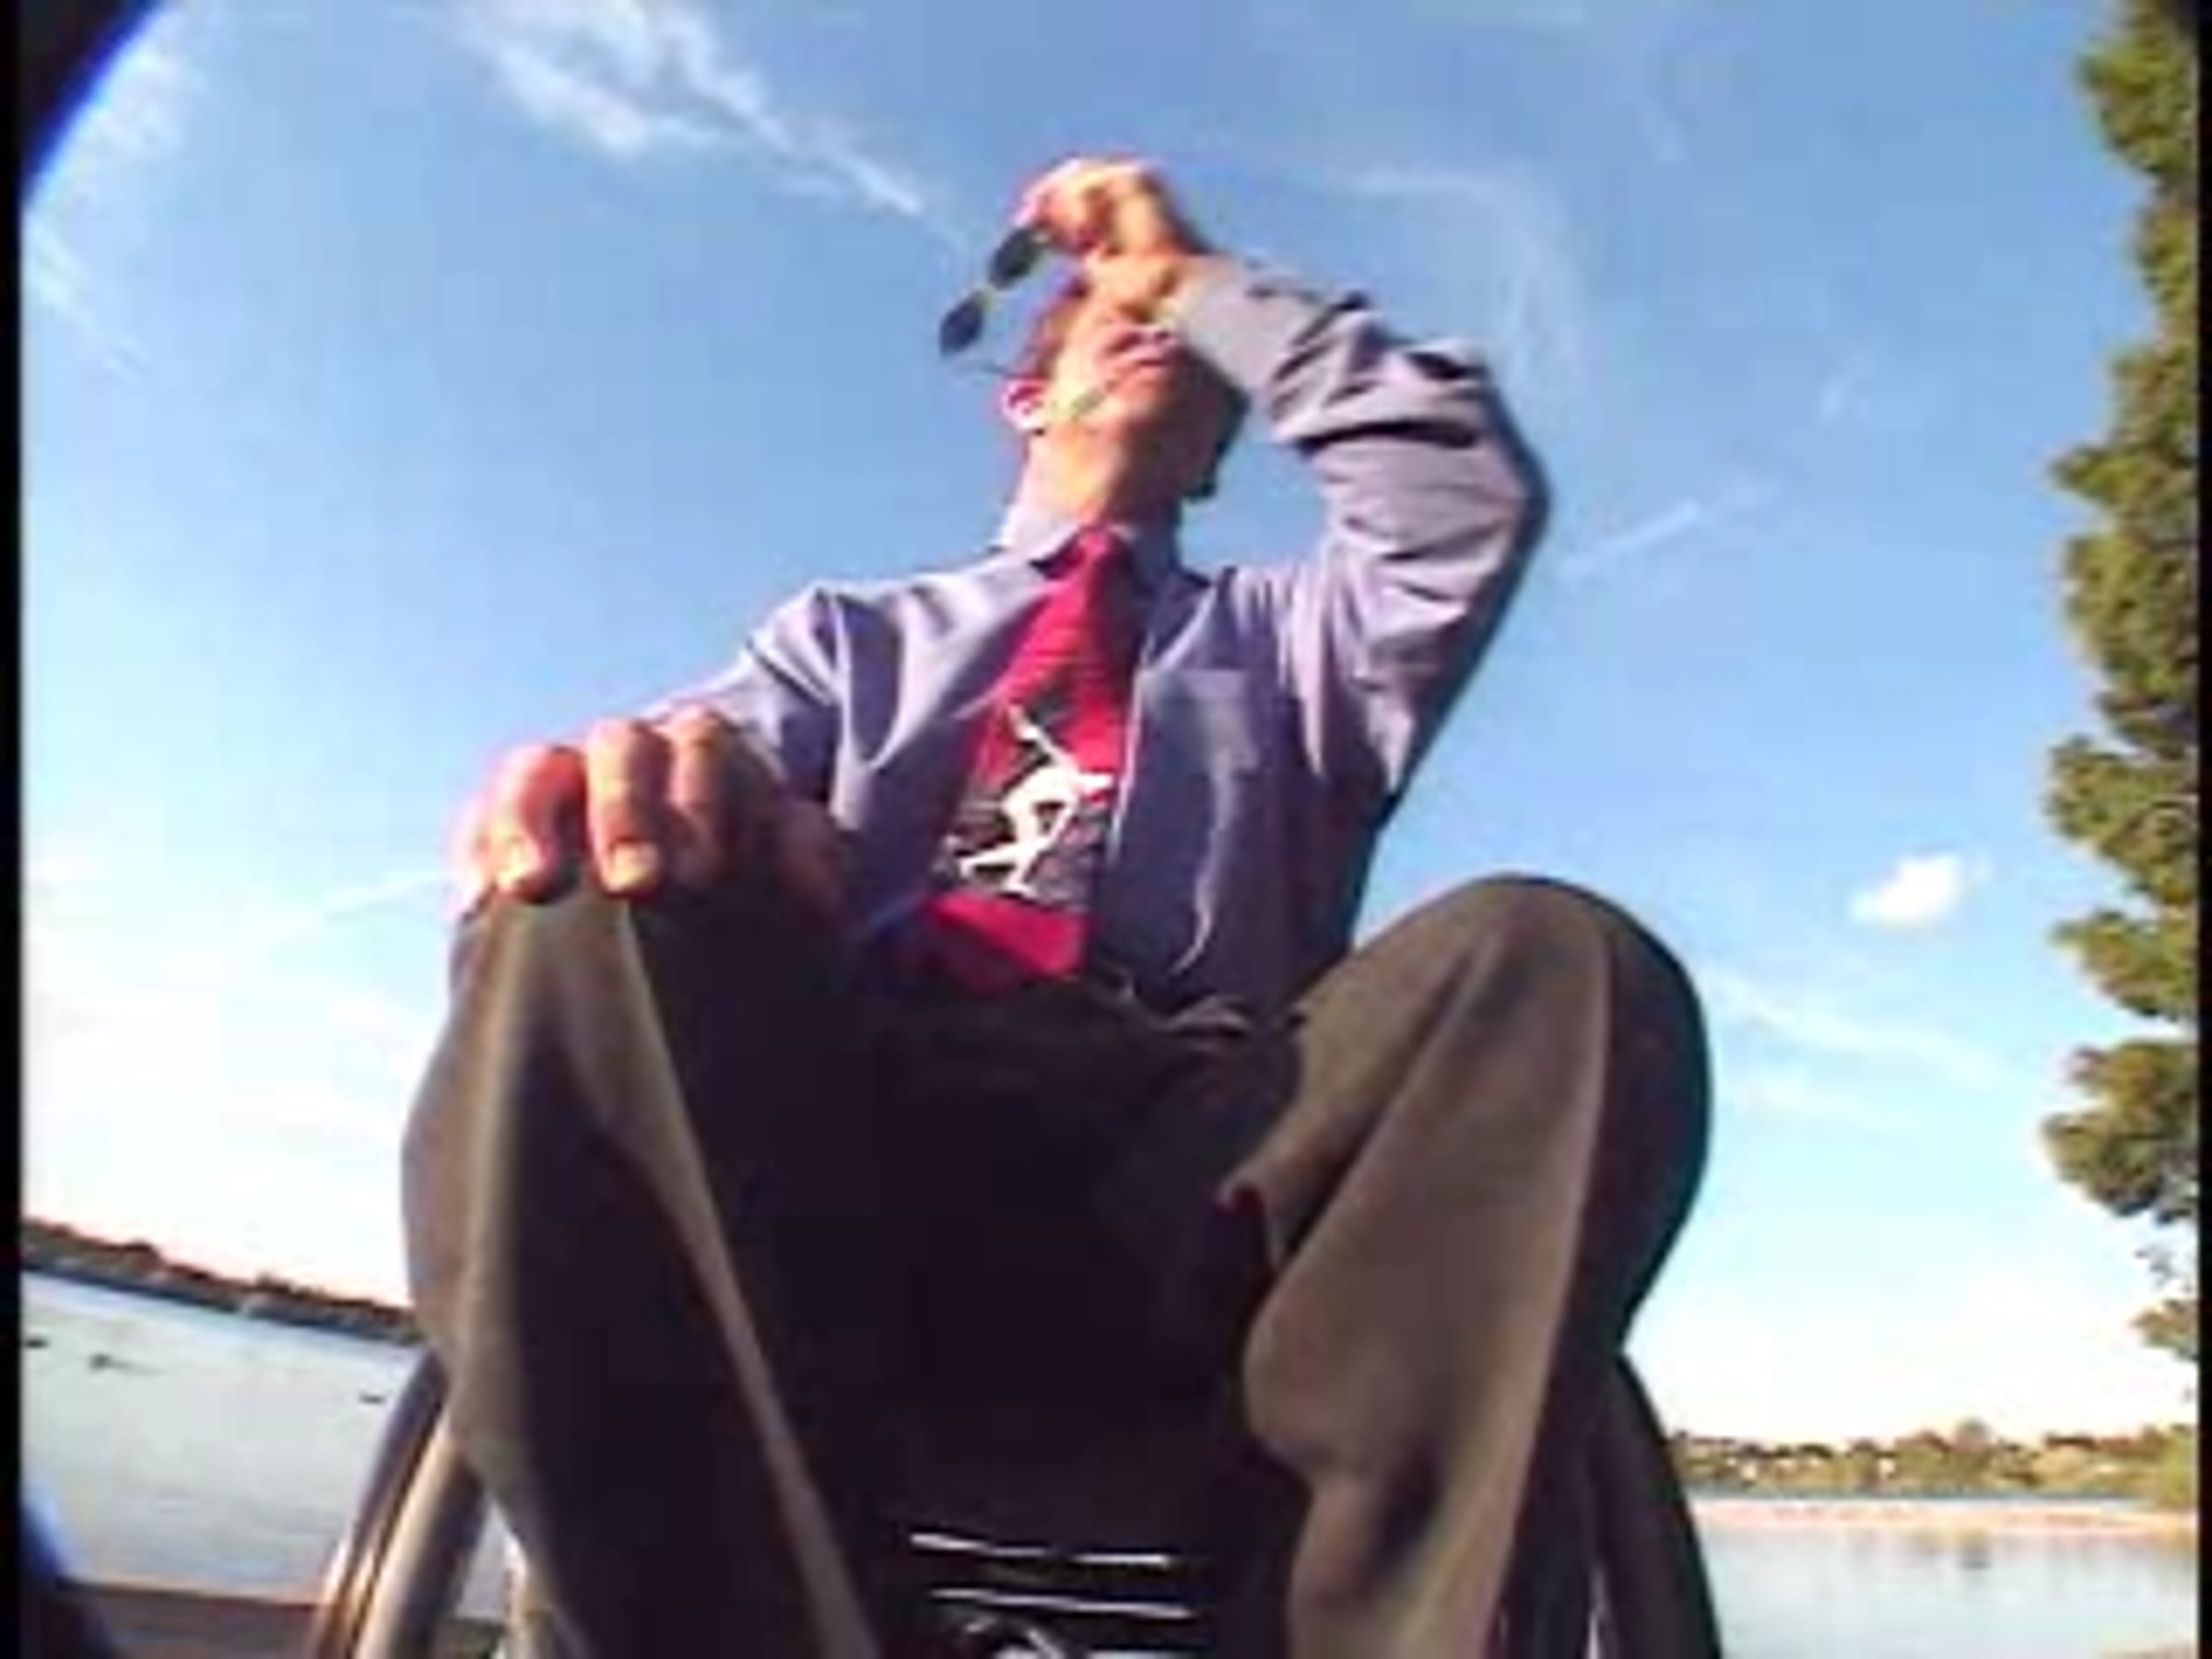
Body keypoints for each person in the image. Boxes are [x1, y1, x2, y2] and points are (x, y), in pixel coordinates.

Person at [404, 155, 1712, 1658]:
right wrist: (656, 801)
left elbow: (1457, 499)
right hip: (850, 1159)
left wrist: (1195, 283)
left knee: (1549, 959)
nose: (1153, 335)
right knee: (587, 892)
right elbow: (704, 778)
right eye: (1112, 323)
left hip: (1202, 1173)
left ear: (1217, 463)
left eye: (1191, 352)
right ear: (1027, 399)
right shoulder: (845, 641)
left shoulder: (1300, 646)